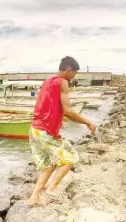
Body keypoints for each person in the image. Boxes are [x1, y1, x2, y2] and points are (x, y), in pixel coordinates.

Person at [26, 56, 96, 207]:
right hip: (45, 131)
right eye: (74, 74)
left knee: (49, 164)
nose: (73, 77)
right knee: (71, 157)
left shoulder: (48, 80)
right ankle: (51, 188)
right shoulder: (62, 82)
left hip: (35, 130)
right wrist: (87, 121)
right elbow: (68, 111)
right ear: (69, 70)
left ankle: (34, 197)